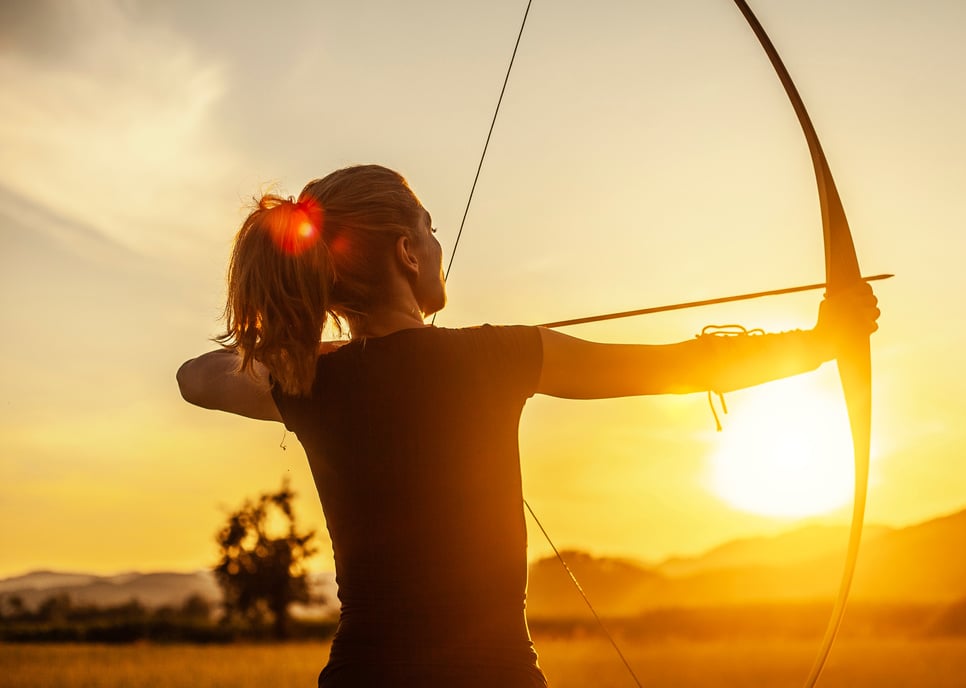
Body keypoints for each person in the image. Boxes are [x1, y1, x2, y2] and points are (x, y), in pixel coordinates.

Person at [176, 164, 879, 687]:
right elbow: (673, 368)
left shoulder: (307, 380)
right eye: (429, 230)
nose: (437, 244)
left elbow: (195, 378)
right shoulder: (497, 354)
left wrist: (311, 345)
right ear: (406, 253)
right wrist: (820, 341)